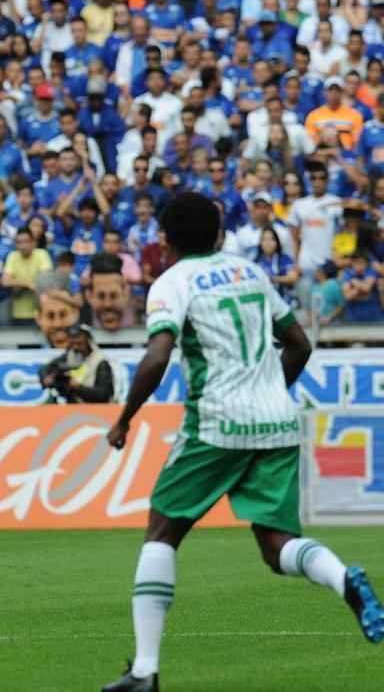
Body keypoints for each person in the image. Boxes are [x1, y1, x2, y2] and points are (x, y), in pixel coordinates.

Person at [102, 192, 383, 692]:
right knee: (276, 547)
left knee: (163, 532)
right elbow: (300, 343)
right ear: (220, 235)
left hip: (216, 422)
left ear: (163, 239)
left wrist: (124, 418)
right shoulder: (251, 273)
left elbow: (158, 355)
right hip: (277, 421)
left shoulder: (171, 283)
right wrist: (271, 390)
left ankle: (144, 670)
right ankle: (343, 579)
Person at [38, 323, 114, 403]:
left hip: (95, 408)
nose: (75, 348)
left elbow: (104, 395)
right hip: (73, 406)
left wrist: (78, 388)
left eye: (79, 344)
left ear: (88, 342)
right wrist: (47, 377)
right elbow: (46, 368)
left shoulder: (101, 362)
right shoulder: (70, 355)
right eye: (72, 344)